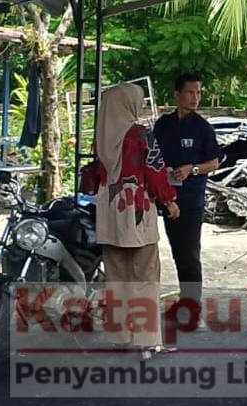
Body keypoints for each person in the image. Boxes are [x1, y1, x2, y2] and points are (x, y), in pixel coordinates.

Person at [82, 82, 180, 359]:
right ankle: (147, 342)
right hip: (136, 210)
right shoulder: (141, 135)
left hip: (109, 212)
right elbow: (155, 171)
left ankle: (120, 336)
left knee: (116, 277)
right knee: (145, 275)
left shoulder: (101, 137)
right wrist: (169, 201)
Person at [153, 73, 221, 324]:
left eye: (199, 92)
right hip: (166, 197)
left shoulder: (202, 128)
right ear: (177, 94)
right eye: (190, 92)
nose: (195, 97)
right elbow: (153, 157)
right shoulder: (164, 125)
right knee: (177, 253)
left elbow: (214, 162)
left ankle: (194, 310)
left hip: (191, 200)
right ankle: (184, 303)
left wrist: (193, 169)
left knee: (190, 255)